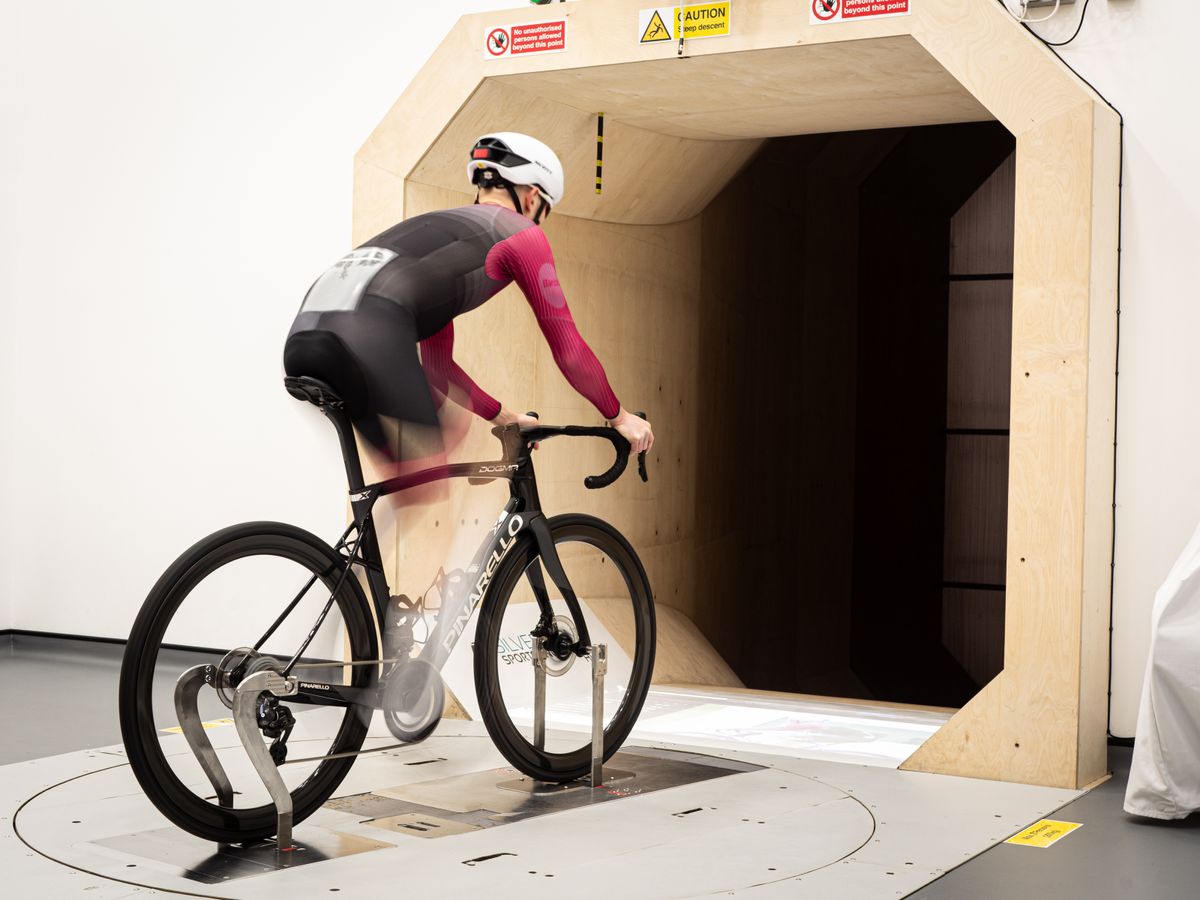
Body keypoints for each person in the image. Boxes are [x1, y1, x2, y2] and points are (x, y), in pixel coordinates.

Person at [283, 132, 653, 490]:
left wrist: (507, 419)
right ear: (533, 196)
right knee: (446, 462)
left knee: (410, 473)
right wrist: (618, 416)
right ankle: (446, 552)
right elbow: (568, 348)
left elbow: (439, 369)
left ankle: (350, 554)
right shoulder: (521, 234)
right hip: (367, 337)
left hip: (306, 339)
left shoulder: (438, 243)